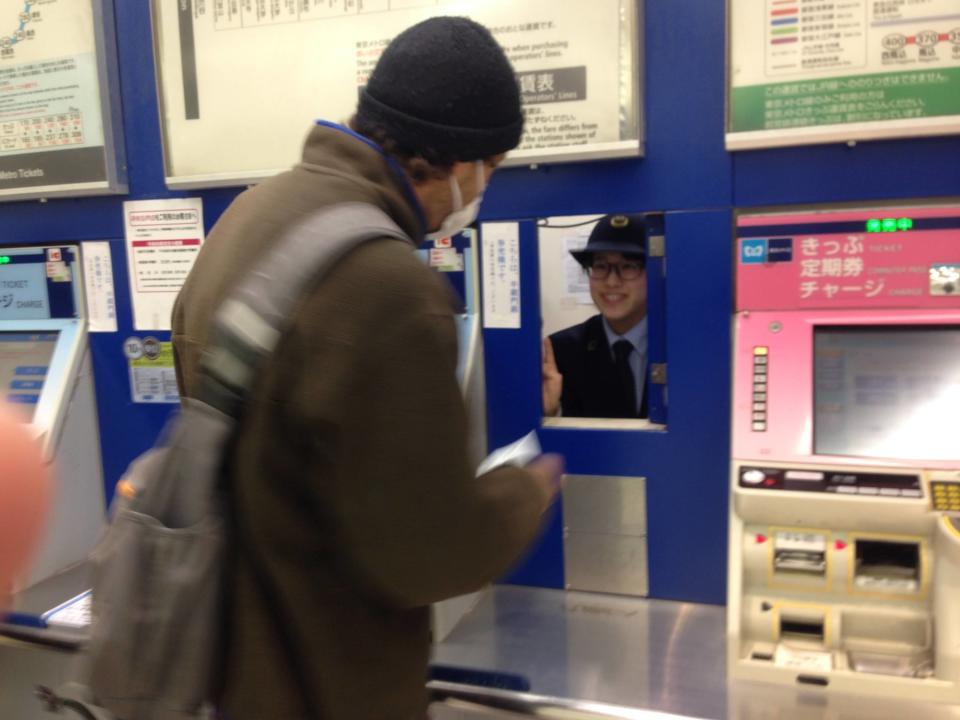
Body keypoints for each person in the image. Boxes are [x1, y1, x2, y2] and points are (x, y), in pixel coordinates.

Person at [171, 17, 562, 720]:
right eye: (493, 169)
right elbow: (426, 557)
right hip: (329, 685)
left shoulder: (246, 219)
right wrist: (523, 492)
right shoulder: (393, 292)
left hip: (225, 670)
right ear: (460, 162)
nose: (482, 191)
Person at [543, 214, 649, 418]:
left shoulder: (679, 348)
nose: (611, 282)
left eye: (628, 266)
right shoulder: (561, 352)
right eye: (600, 266)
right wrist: (549, 415)